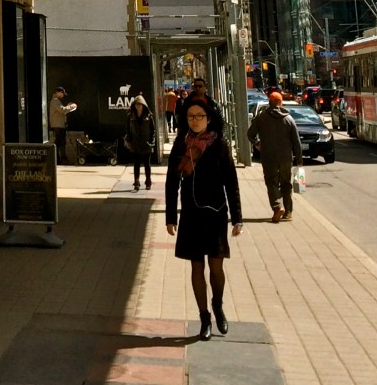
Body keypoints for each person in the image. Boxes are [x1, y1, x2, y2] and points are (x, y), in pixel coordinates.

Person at [165, 101, 242, 341]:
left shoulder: (220, 145)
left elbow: (231, 182)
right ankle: (204, 317)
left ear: (208, 119)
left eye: (199, 116)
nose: (195, 120)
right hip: (191, 214)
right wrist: (170, 216)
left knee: (216, 267)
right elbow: (171, 182)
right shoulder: (181, 144)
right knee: (196, 267)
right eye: (190, 116)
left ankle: (217, 304)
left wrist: (237, 218)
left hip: (216, 213)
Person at [247, 91, 302, 223]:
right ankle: (288, 212)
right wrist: (299, 160)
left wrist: (257, 143)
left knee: (271, 182)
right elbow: (296, 142)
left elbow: (250, 134)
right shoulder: (289, 119)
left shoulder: (261, 117)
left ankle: (277, 207)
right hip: (285, 157)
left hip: (268, 156)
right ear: (280, 103)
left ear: (269, 102)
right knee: (286, 183)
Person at [125, 94, 155, 190]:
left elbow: (153, 130)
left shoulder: (149, 116)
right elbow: (128, 129)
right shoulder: (130, 116)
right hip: (135, 143)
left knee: (147, 163)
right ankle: (136, 181)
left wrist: (152, 141)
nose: (138, 106)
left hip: (146, 143)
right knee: (136, 163)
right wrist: (129, 139)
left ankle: (148, 181)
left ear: (143, 105)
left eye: (140, 104)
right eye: (136, 104)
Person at [49, 86, 77, 165]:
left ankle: (58, 159)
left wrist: (68, 107)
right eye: (62, 93)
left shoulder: (56, 101)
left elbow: (62, 110)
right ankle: (60, 159)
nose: (63, 95)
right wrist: (71, 106)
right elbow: (62, 110)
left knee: (59, 142)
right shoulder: (55, 101)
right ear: (58, 92)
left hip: (59, 124)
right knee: (60, 142)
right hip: (58, 125)